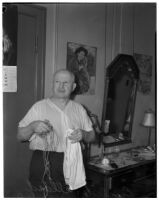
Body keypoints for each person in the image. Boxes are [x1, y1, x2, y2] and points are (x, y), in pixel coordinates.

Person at [17, 69, 95, 197]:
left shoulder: (79, 109)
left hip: (73, 161)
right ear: (52, 84)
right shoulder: (39, 107)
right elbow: (20, 136)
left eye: (66, 83)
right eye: (57, 82)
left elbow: (92, 136)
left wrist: (83, 134)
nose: (61, 86)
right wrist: (32, 126)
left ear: (73, 86)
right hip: (44, 161)